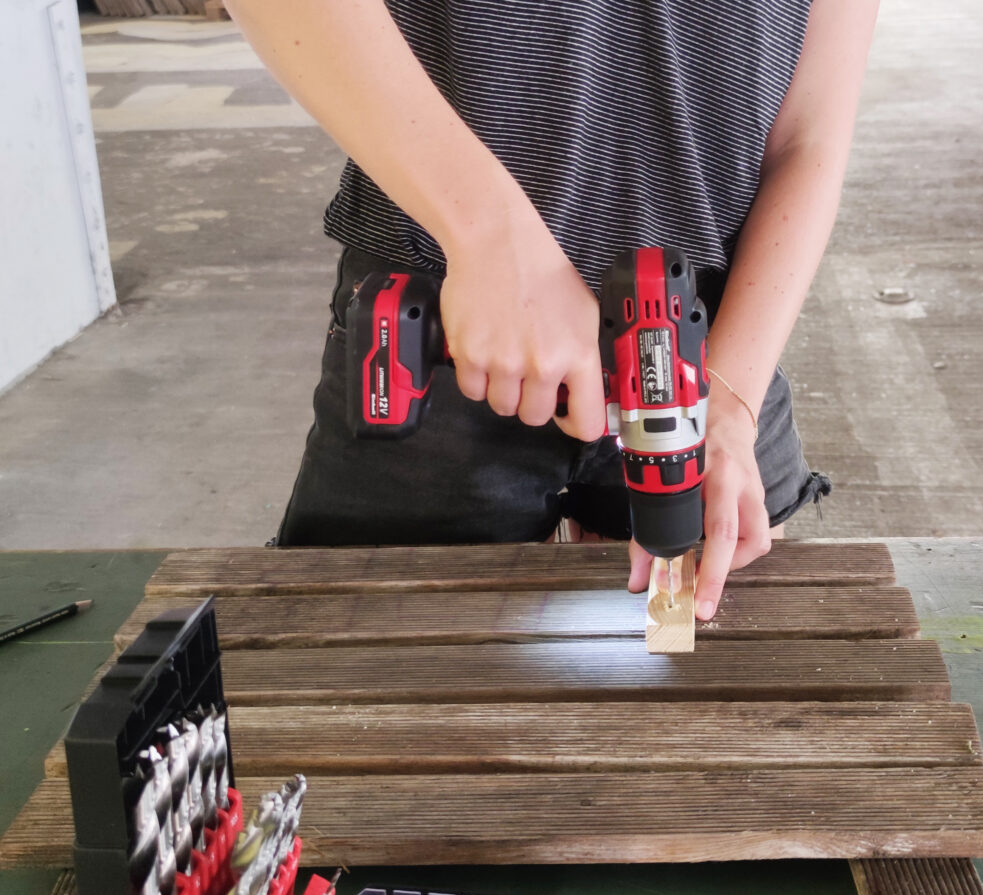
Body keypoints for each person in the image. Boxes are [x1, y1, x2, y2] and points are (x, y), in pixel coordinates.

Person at [227, 0, 879, 621]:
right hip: (442, 322)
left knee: (705, 654)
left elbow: (809, 136)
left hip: (711, 345)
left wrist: (731, 401)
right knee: (389, 671)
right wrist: (487, 234)